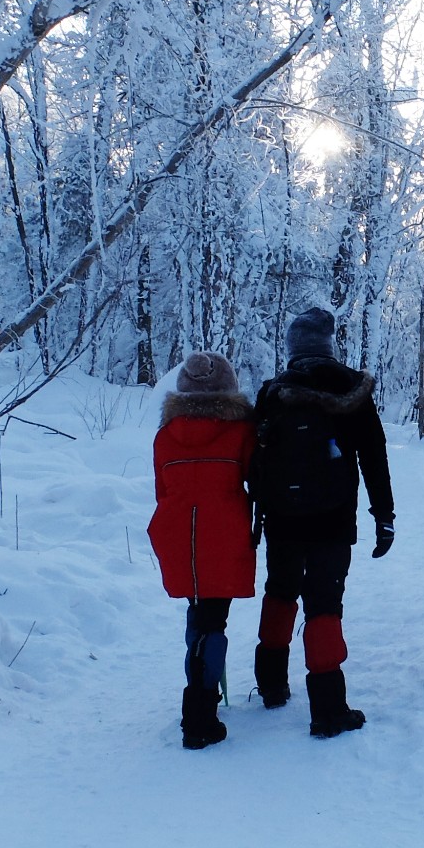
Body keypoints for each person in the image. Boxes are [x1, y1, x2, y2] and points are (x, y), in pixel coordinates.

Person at [250, 307, 395, 738]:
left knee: (280, 592)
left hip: (282, 517)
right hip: (333, 518)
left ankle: (272, 686)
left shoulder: (273, 393)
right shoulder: (350, 389)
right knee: (324, 604)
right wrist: (383, 515)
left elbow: (253, 461)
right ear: (328, 347)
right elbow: (374, 457)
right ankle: (329, 711)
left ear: (293, 350)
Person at [146, 352, 257, 750]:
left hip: (175, 532)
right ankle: (199, 715)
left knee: (198, 612)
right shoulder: (241, 432)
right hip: (222, 533)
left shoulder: (166, 434)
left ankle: (201, 697)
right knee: (214, 621)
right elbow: (254, 480)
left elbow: (161, 488)